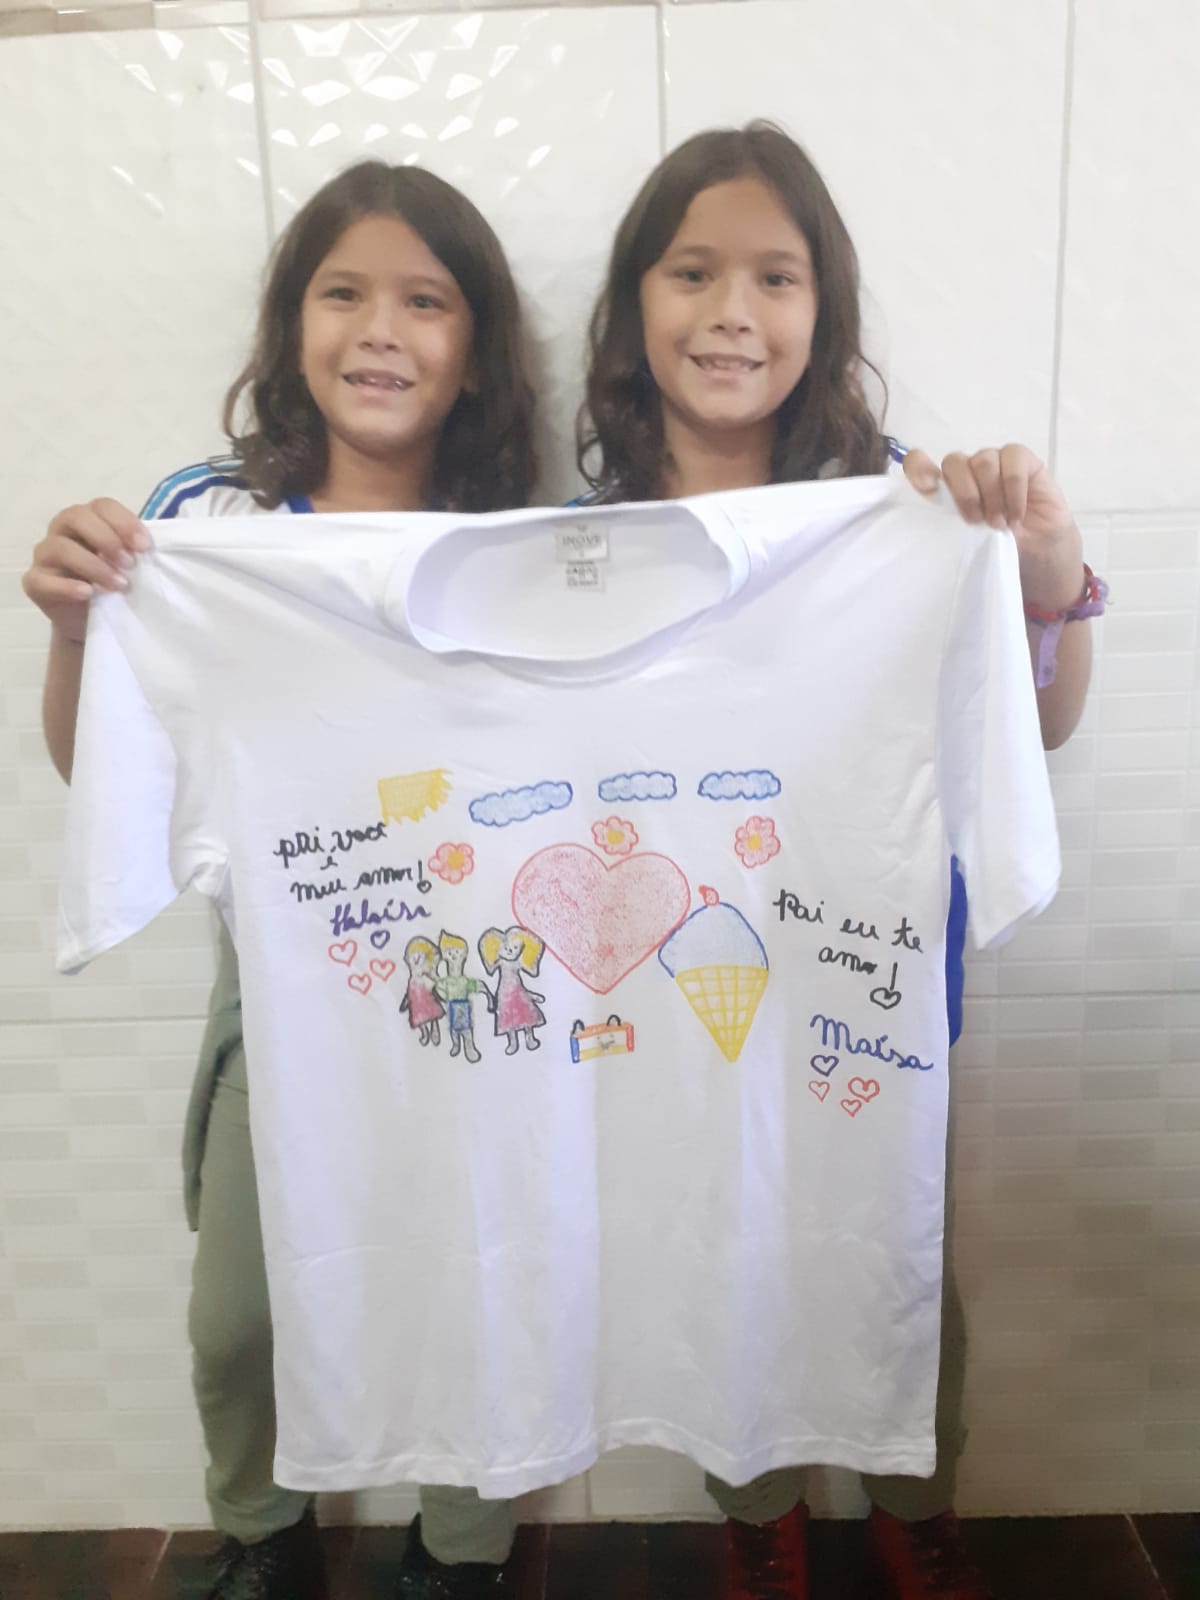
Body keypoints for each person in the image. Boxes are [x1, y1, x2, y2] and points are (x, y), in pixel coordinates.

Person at [571, 121, 1101, 1600]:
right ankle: (760, 1525)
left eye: (776, 277)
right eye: (692, 272)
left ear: (825, 310)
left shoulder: (910, 511)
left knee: (885, 1246)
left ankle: (917, 1516)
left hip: (862, 972)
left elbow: (1039, 730)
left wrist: (1043, 573)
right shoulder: (582, 549)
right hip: (671, 986)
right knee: (712, 1255)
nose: (732, 312)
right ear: (634, 303)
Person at [23, 158, 537, 1600]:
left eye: (425, 301)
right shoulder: (203, 526)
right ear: (291, 326)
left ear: (476, 347)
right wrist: (78, 629)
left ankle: (463, 1549)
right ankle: (260, 1532)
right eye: (342, 293)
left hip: (478, 980)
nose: (380, 331)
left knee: (475, 1279)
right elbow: (108, 772)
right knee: (237, 1321)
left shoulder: (520, 540)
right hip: (289, 983)